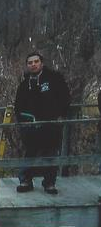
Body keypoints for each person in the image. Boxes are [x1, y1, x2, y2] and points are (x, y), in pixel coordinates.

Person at [13, 52, 70, 194]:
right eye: (30, 62)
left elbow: (65, 98)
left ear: (41, 63)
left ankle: (49, 183)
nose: (33, 64)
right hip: (31, 127)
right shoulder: (24, 85)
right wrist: (23, 122)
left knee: (50, 154)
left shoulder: (55, 79)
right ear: (27, 65)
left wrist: (62, 116)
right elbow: (18, 106)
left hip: (51, 125)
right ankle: (25, 181)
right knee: (30, 154)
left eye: (36, 61)